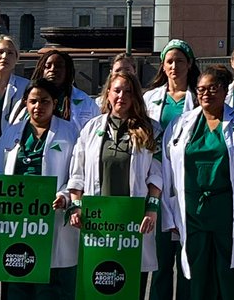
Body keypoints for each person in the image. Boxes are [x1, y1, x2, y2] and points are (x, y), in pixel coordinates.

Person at [162, 66, 234, 300]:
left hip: (229, 210)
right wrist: (169, 214)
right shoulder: (180, 124)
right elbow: (167, 170)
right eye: (201, 89)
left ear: (225, 90)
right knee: (198, 274)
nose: (206, 93)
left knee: (231, 275)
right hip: (192, 213)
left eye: (213, 88)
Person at [68, 69, 164, 299]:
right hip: (99, 222)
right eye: (117, 90)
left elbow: (157, 175)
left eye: (128, 92)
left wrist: (151, 209)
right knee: (99, 284)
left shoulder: (152, 130)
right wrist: (76, 206)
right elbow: (77, 173)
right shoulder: (91, 128)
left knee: (131, 285)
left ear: (135, 96)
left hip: (133, 220)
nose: (122, 96)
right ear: (108, 94)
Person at [0, 78, 80, 300]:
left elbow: (77, 173)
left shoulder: (70, 132)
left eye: (45, 101)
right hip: (16, 218)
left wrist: (64, 196)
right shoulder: (12, 132)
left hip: (50, 215)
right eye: (33, 101)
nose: (38, 106)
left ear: (54, 103)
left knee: (49, 284)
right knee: (18, 277)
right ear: (26, 103)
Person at [143, 39, 199, 300]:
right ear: (163, 66)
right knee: (161, 259)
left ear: (189, 64)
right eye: (169, 61)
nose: (174, 66)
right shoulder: (150, 98)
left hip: (187, 182)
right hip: (157, 182)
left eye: (180, 61)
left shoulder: (198, 98)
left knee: (187, 260)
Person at [25, 49, 101, 129]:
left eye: (58, 66)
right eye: (48, 66)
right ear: (41, 70)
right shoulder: (27, 101)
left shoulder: (86, 103)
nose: (52, 69)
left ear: (67, 71)